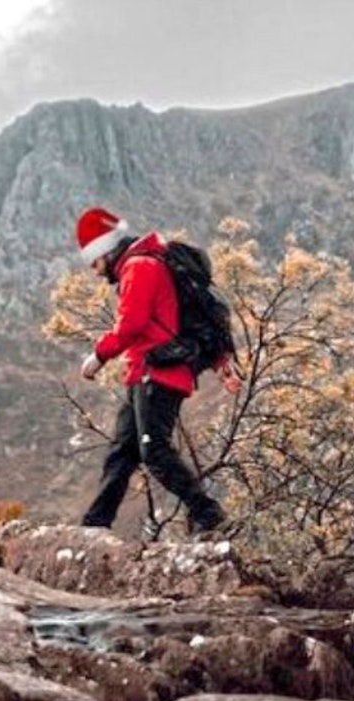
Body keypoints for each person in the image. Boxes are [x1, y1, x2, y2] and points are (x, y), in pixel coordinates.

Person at [73, 206, 241, 534]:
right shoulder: (145, 262)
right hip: (144, 374)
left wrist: (99, 355)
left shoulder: (139, 266)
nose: (94, 271)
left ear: (105, 251)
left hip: (160, 374)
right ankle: (95, 525)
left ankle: (210, 516)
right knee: (122, 453)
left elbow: (131, 324)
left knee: (155, 451)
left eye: (93, 261)